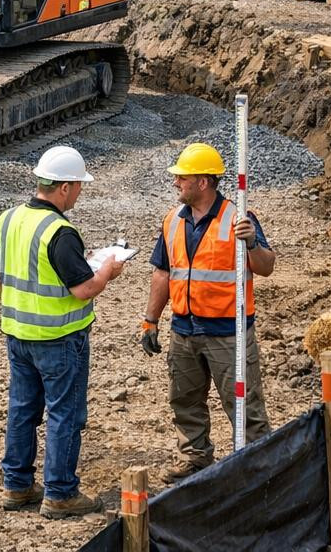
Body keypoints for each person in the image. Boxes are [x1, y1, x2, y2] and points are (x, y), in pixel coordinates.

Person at [0, 145, 126, 519]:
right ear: (63, 187)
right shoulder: (60, 232)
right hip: (59, 341)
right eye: (79, 185)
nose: (80, 192)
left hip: (18, 336)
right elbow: (83, 289)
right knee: (65, 414)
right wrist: (106, 271)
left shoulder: (9, 219)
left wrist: (22, 309)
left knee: (22, 410)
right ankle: (60, 493)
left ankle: (16, 486)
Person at [137, 142, 275, 481]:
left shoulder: (238, 218)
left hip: (228, 332)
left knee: (245, 405)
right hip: (184, 330)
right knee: (184, 400)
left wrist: (253, 243)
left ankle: (260, 464)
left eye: (182, 177)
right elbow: (163, 272)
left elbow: (266, 267)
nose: (175, 183)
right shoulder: (173, 221)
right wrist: (151, 319)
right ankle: (195, 455)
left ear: (203, 182)